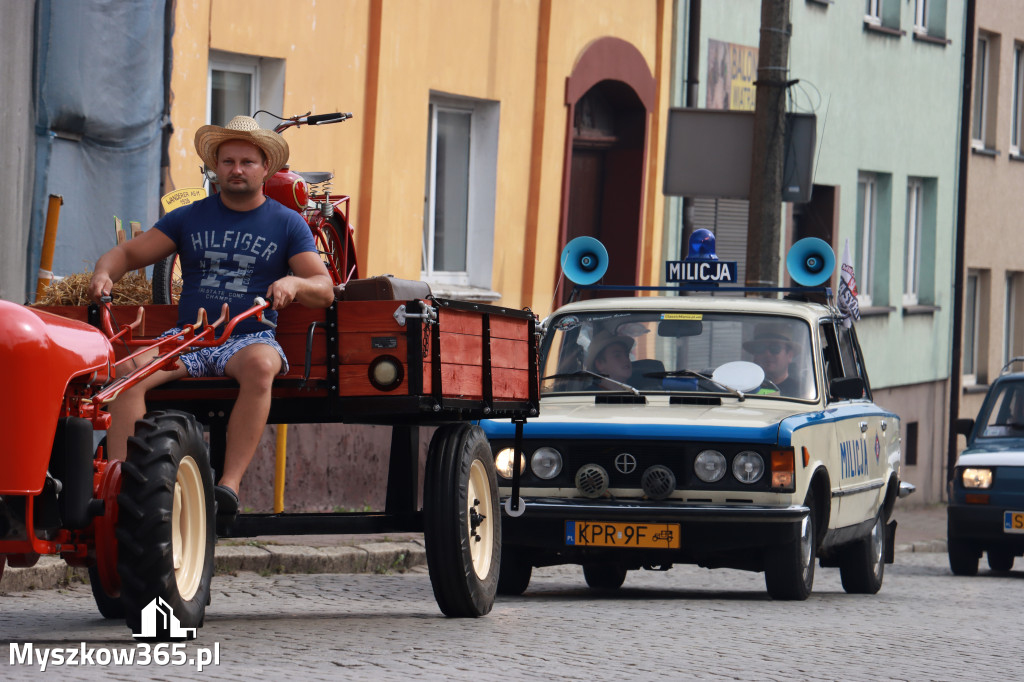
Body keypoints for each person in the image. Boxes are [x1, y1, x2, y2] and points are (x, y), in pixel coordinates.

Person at [88, 115, 334, 530]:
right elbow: (128, 254)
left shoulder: (287, 223)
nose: (236, 170)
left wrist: (293, 281)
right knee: (128, 372)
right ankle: (118, 486)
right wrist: (103, 273)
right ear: (215, 168)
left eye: (247, 162)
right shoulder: (189, 217)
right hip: (191, 337)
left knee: (260, 367)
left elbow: (324, 288)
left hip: (250, 336)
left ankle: (229, 486)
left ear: (265, 169)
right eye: (228, 162)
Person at [743, 322, 803, 396]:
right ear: (754, 355)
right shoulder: (741, 389)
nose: (767, 353)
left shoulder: (802, 393)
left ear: (790, 355)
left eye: (775, 348)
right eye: (760, 348)